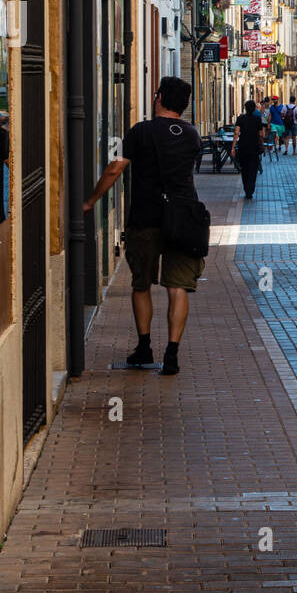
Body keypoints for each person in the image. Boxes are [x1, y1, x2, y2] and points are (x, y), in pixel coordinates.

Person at [82, 76, 202, 377]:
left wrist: (91, 200)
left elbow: (115, 169)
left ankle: (145, 346)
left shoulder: (141, 132)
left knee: (142, 284)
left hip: (146, 218)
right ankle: (172, 354)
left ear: (158, 98)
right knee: (178, 287)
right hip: (184, 219)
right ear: (184, 105)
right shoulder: (192, 135)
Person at [232, 99, 266, 199]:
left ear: (245, 108)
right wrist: (262, 143)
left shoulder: (240, 118)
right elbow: (261, 134)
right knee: (253, 169)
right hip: (254, 147)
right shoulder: (257, 119)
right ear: (254, 109)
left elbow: (236, 132)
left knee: (244, 169)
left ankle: (246, 188)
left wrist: (233, 146)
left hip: (243, 147)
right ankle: (250, 190)